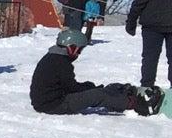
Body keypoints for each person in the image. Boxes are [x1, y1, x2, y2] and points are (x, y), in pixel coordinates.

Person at [29, 29, 162, 116]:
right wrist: (90, 89)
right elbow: (72, 88)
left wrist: (88, 86)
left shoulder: (53, 57)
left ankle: (119, 95)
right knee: (96, 96)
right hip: (53, 105)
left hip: (48, 101)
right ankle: (138, 105)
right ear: (72, 48)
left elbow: (66, 85)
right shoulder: (61, 63)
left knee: (93, 90)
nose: (79, 54)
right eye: (79, 50)